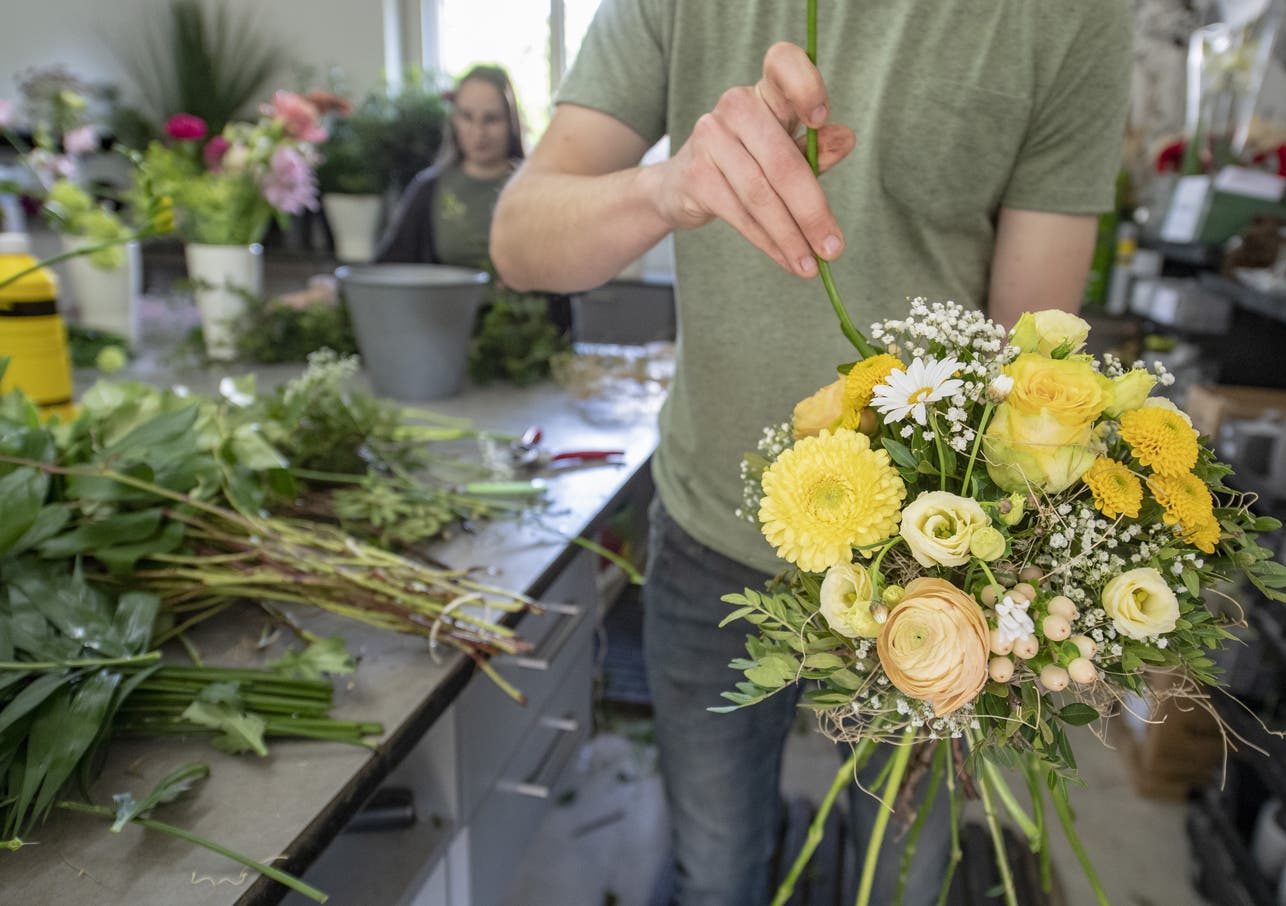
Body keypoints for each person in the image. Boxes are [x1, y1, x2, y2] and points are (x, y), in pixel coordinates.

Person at [491, 4, 1132, 904]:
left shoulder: (1070, 20)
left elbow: (1031, 363)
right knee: (715, 873)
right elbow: (519, 240)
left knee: (903, 883)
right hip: (710, 532)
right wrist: (667, 187)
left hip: (928, 569)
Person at [375, 64, 525, 267]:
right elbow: (387, 265)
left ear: (511, 121)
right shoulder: (428, 189)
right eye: (467, 117)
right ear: (454, 120)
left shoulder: (533, 190)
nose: (478, 132)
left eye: (491, 119)